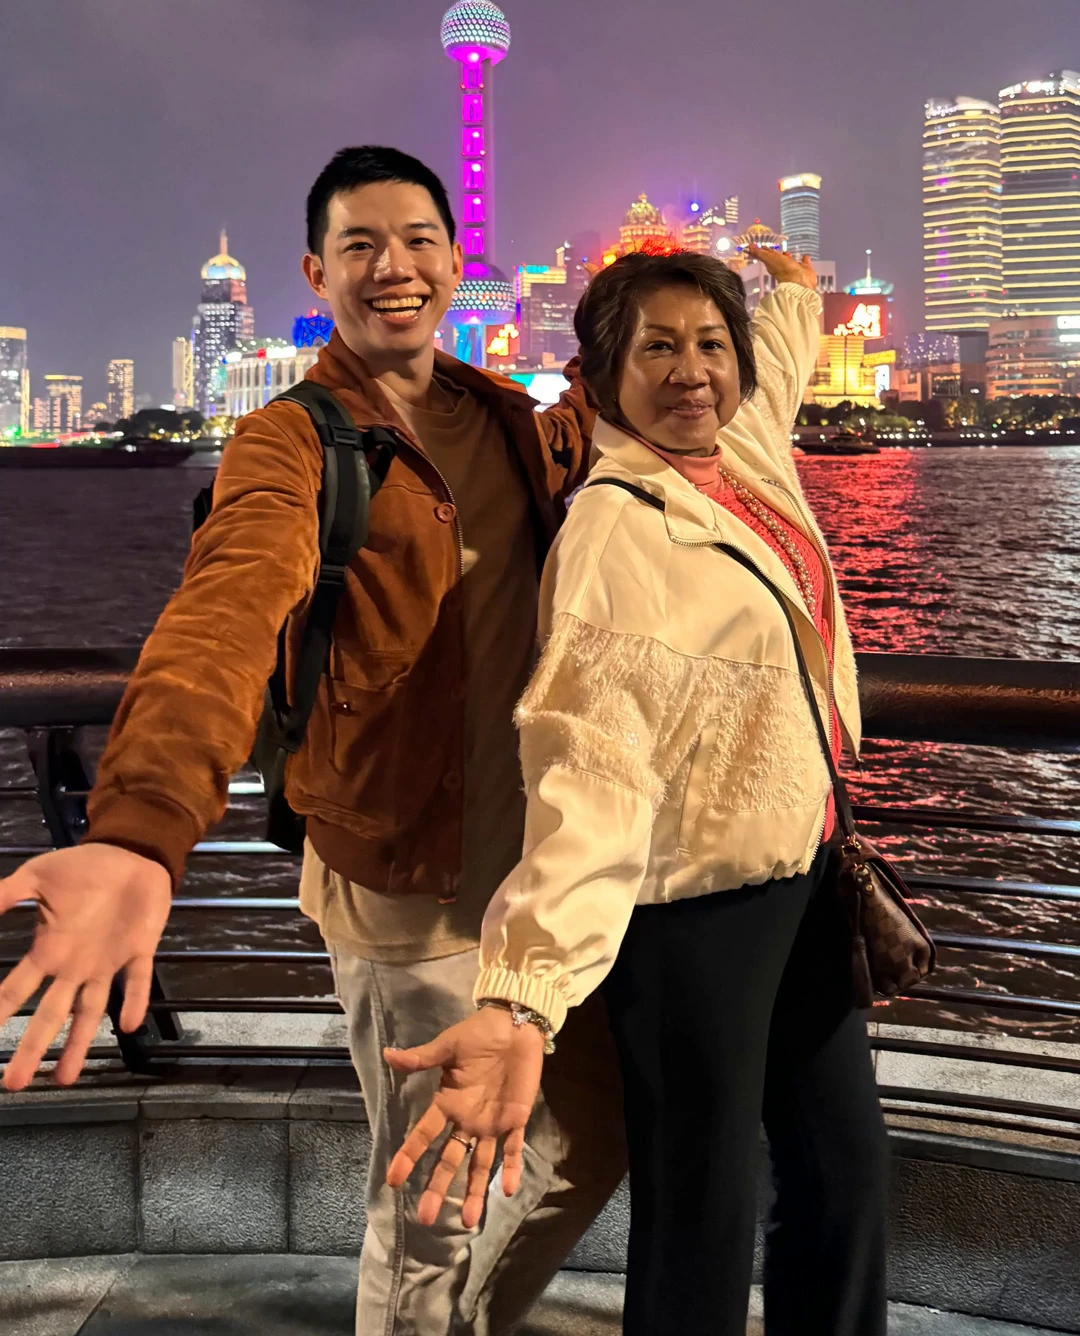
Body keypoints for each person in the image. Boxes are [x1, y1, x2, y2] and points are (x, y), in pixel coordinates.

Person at [0, 145, 626, 1336]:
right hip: (403, 882)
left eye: (418, 242)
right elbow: (225, 611)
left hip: (539, 881)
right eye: (360, 247)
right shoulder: (294, 441)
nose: (394, 267)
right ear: (314, 272)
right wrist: (140, 830)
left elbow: (651, 395)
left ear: (456, 262)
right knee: (433, 1204)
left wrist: (762, 301)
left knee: (590, 1138)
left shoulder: (507, 420)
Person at [384, 246, 889, 1336]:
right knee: (699, 1210)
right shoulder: (616, 530)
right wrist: (523, 996)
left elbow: (778, 367)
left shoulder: (742, 458)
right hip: (691, 913)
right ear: (604, 373)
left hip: (798, 880)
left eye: (710, 345)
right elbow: (588, 777)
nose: (691, 370)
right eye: (656, 348)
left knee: (843, 1177)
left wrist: (792, 295)